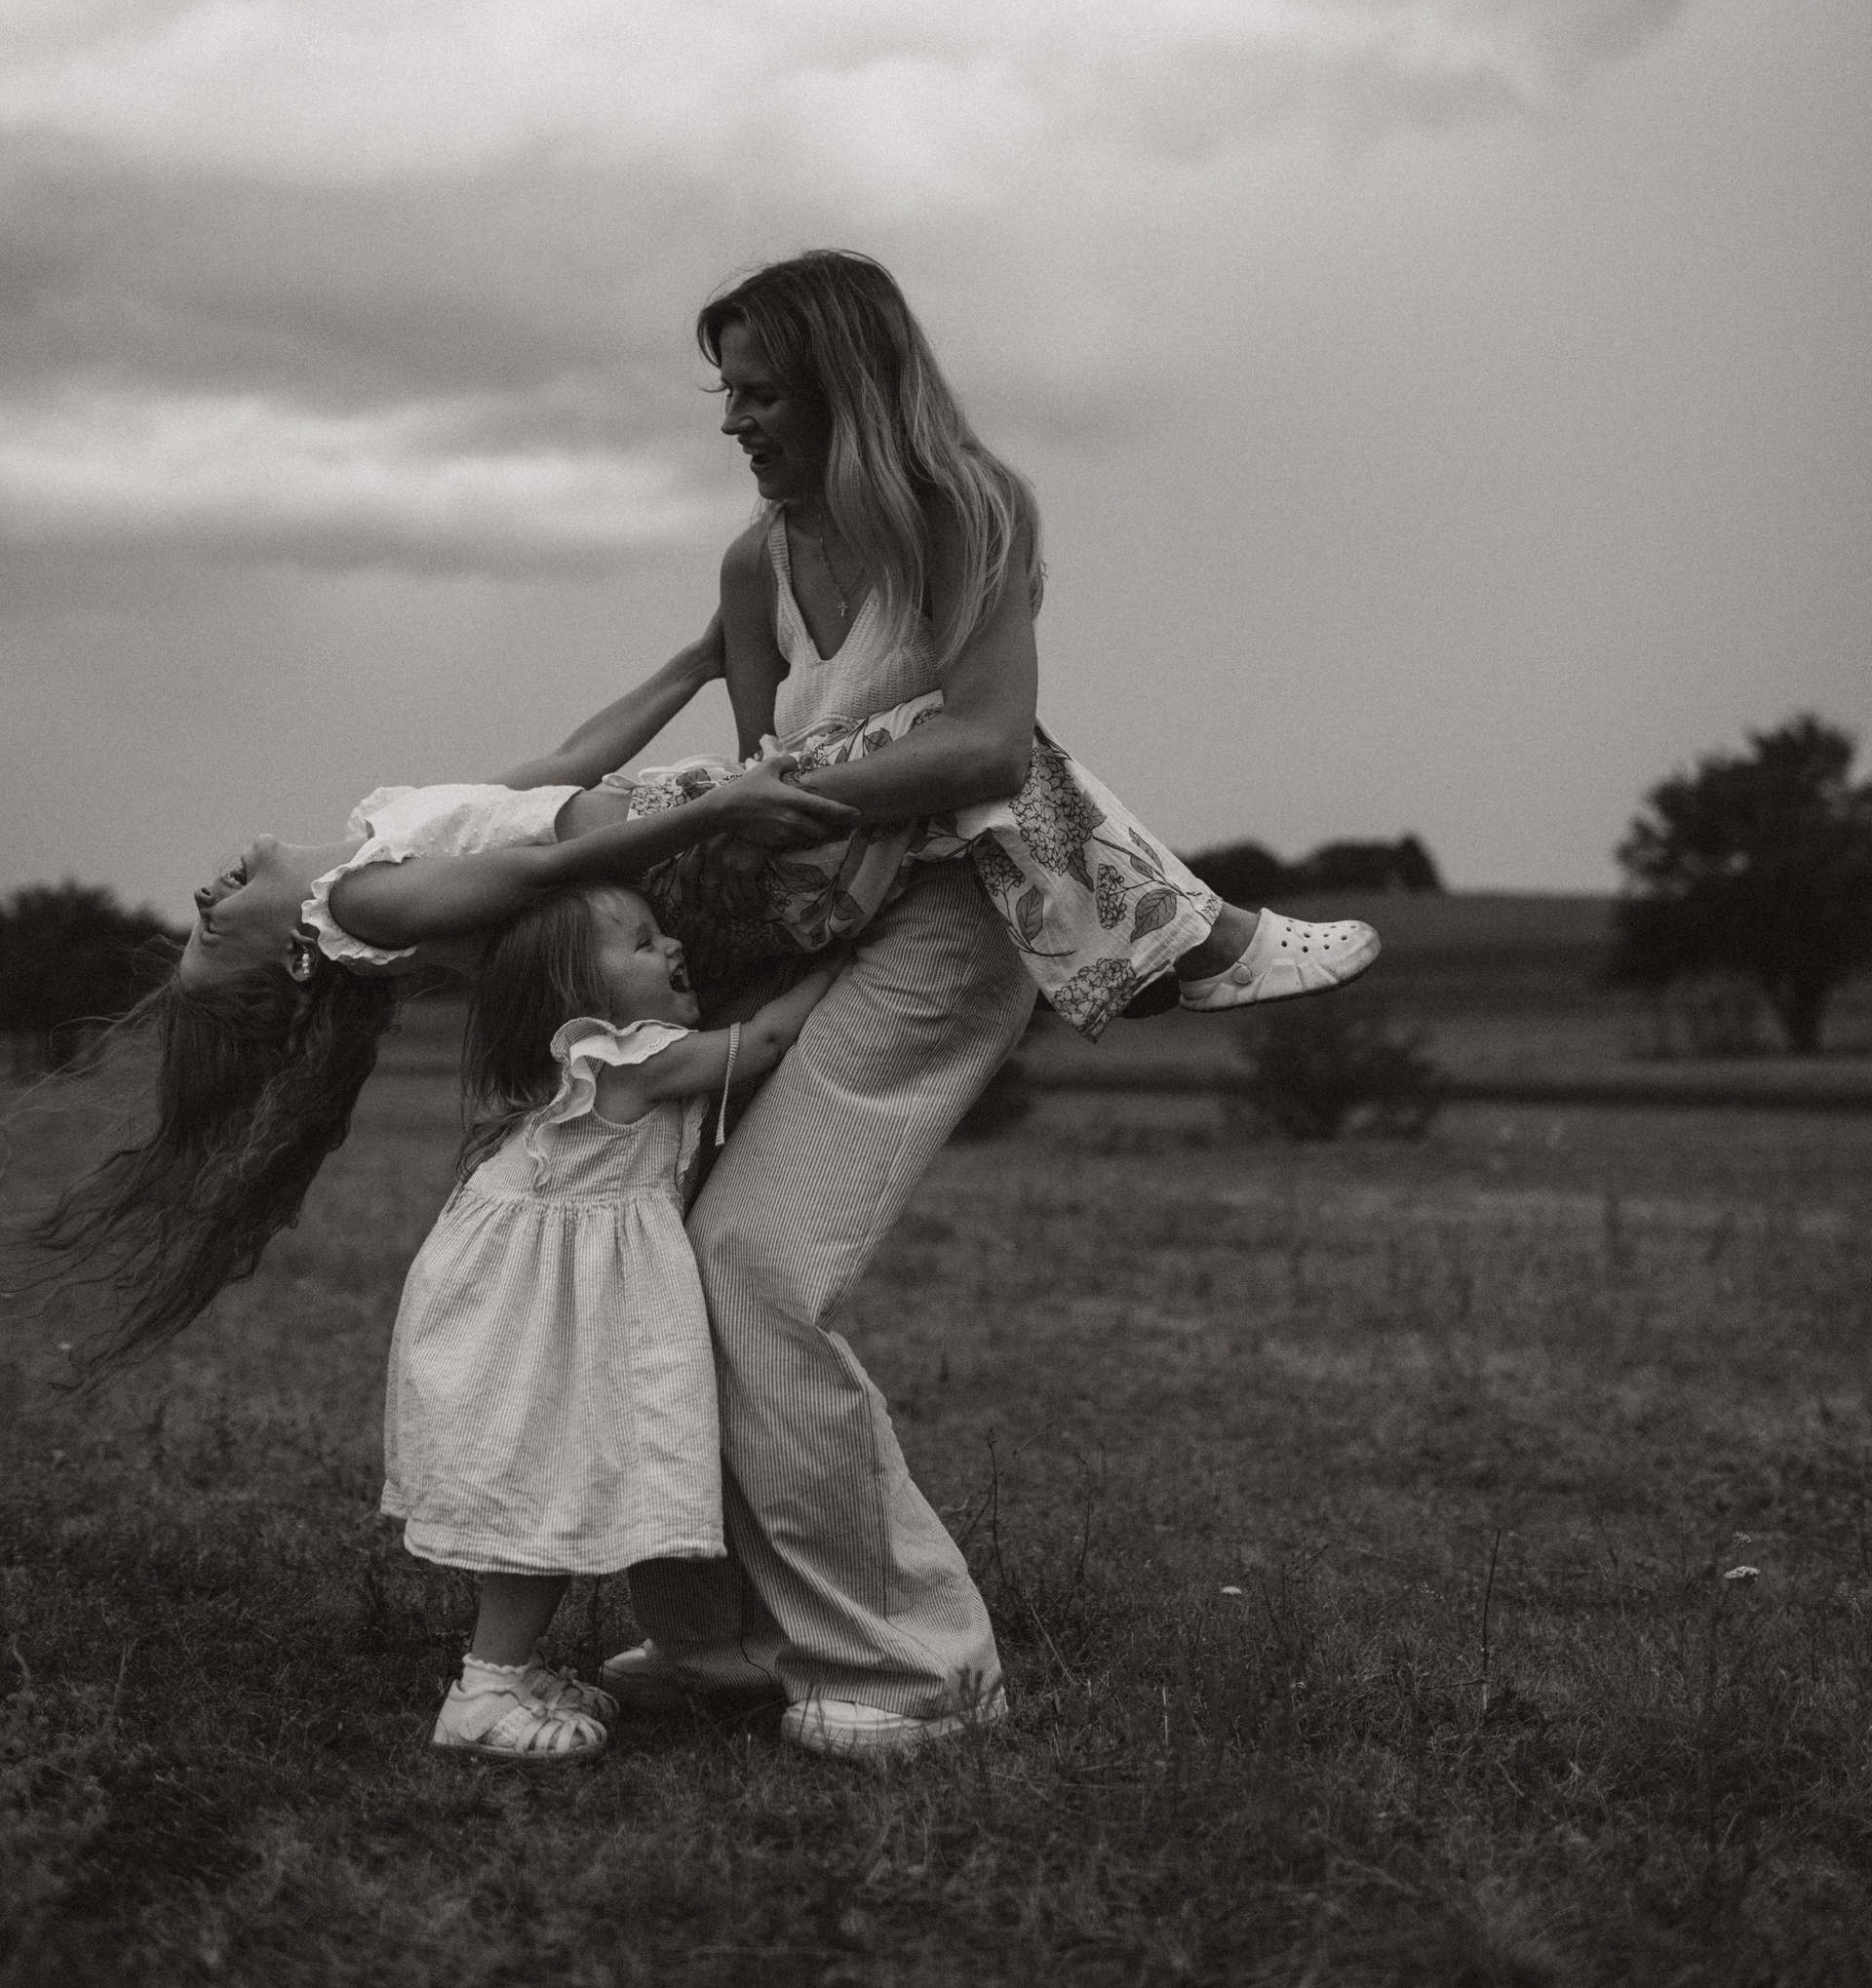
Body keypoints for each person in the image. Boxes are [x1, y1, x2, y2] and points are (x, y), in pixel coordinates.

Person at [605, 251, 1379, 1765]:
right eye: (727, 393)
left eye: (761, 393)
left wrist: (799, 788)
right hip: (824, 915)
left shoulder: (968, 515)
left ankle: (917, 1670)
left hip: (957, 922)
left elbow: (985, 748)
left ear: (845, 385)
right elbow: (773, 808)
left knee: (754, 1260)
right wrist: (762, 827)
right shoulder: (755, 567)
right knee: (646, 1243)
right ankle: (721, 1633)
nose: (734, 422)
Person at [33, 631, 862, 1377]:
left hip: (692, 815)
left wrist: (696, 663)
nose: (201, 899)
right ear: (298, 955)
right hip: (700, 831)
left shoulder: (378, 836)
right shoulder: (362, 905)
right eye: (212, 932)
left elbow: (564, 766)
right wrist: (720, 809)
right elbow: (546, 868)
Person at [389, 882, 843, 1764]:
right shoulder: (626, 1060)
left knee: (544, 1491)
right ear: (579, 994)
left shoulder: (581, 1066)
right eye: (640, 943)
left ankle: (509, 1672)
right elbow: (767, 1040)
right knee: (544, 1493)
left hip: (525, 1306)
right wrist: (839, 962)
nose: (672, 945)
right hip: (537, 1317)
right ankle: (482, 1692)